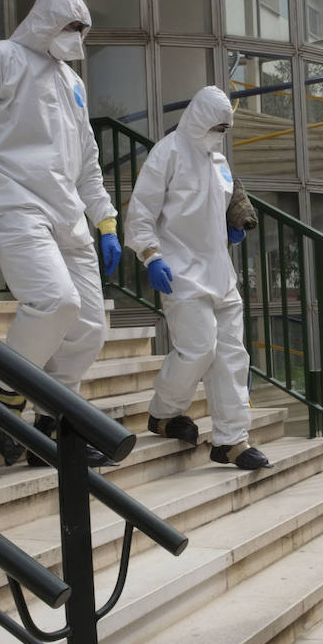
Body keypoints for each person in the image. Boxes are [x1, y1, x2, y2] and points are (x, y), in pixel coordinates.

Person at [0, 0, 120, 468]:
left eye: (83, 29)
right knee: (54, 301)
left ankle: (52, 423)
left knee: (88, 330)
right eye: (70, 26)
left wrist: (105, 220)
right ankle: (4, 396)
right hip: (14, 204)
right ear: (44, 19)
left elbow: (87, 164)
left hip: (67, 213)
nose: (76, 36)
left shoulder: (73, 84)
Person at [124, 85, 270, 471]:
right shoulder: (167, 152)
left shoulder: (218, 159)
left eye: (225, 125)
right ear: (199, 117)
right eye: (216, 123)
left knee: (231, 356)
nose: (220, 131)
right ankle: (163, 413)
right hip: (180, 270)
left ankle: (232, 441)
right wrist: (150, 255)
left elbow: (226, 202)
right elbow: (141, 210)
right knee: (199, 348)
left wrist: (234, 226)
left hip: (220, 271)